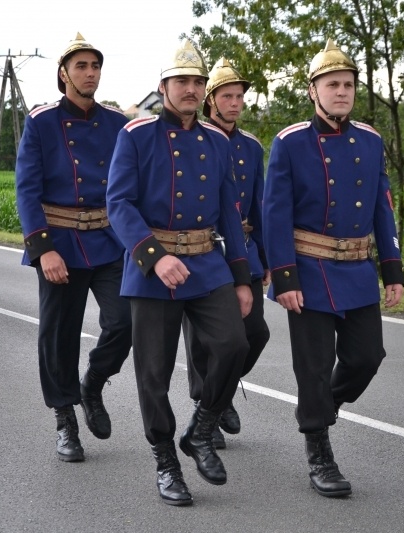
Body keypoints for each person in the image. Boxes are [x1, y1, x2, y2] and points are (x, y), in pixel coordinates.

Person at [107, 40, 252, 506]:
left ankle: (201, 429)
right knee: (154, 373)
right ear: (163, 87)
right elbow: (119, 203)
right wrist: (153, 256)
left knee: (234, 344)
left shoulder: (216, 141)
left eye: (197, 82)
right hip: (153, 269)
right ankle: (166, 459)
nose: (191, 89)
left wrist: (243, 277)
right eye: (182, 82)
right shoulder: (136, 135)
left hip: (208, 264)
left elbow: (230, 214)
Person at [262, 39, 404, 498]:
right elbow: (274, 214)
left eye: (347, 84)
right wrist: (283, 276)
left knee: (367, 357)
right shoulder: (289, 143)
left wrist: (393, 267)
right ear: (313, 90)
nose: (341, 92)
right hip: (308, 269)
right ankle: (318, 449)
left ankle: (325, 406)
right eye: (332, 84)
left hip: (358, 268)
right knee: (314, 366)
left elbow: (383, 208)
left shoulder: (371, 140)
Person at [15, 33, 132, 463]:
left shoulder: (118, 123)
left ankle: (94, 382)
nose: (90, 73)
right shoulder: (42, 122)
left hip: (108, 240)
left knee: (126, 320)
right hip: (60, 243)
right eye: (81, 66)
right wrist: (43, 248)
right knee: (58, 335)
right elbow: (27, 190)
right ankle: (65, 418)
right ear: (63, 74)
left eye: (95, 66)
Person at [182, 58, 270, 449]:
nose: (235, 103)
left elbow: (260, 207)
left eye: (239, 97)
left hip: (244, 249)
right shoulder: (194, 136)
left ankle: (222, 392)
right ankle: (208, 409)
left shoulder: (252, 147)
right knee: (205, 341)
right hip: (202, 250)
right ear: (210, 101)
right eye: (227, 96)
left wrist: (265, 257)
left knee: (256, 332)